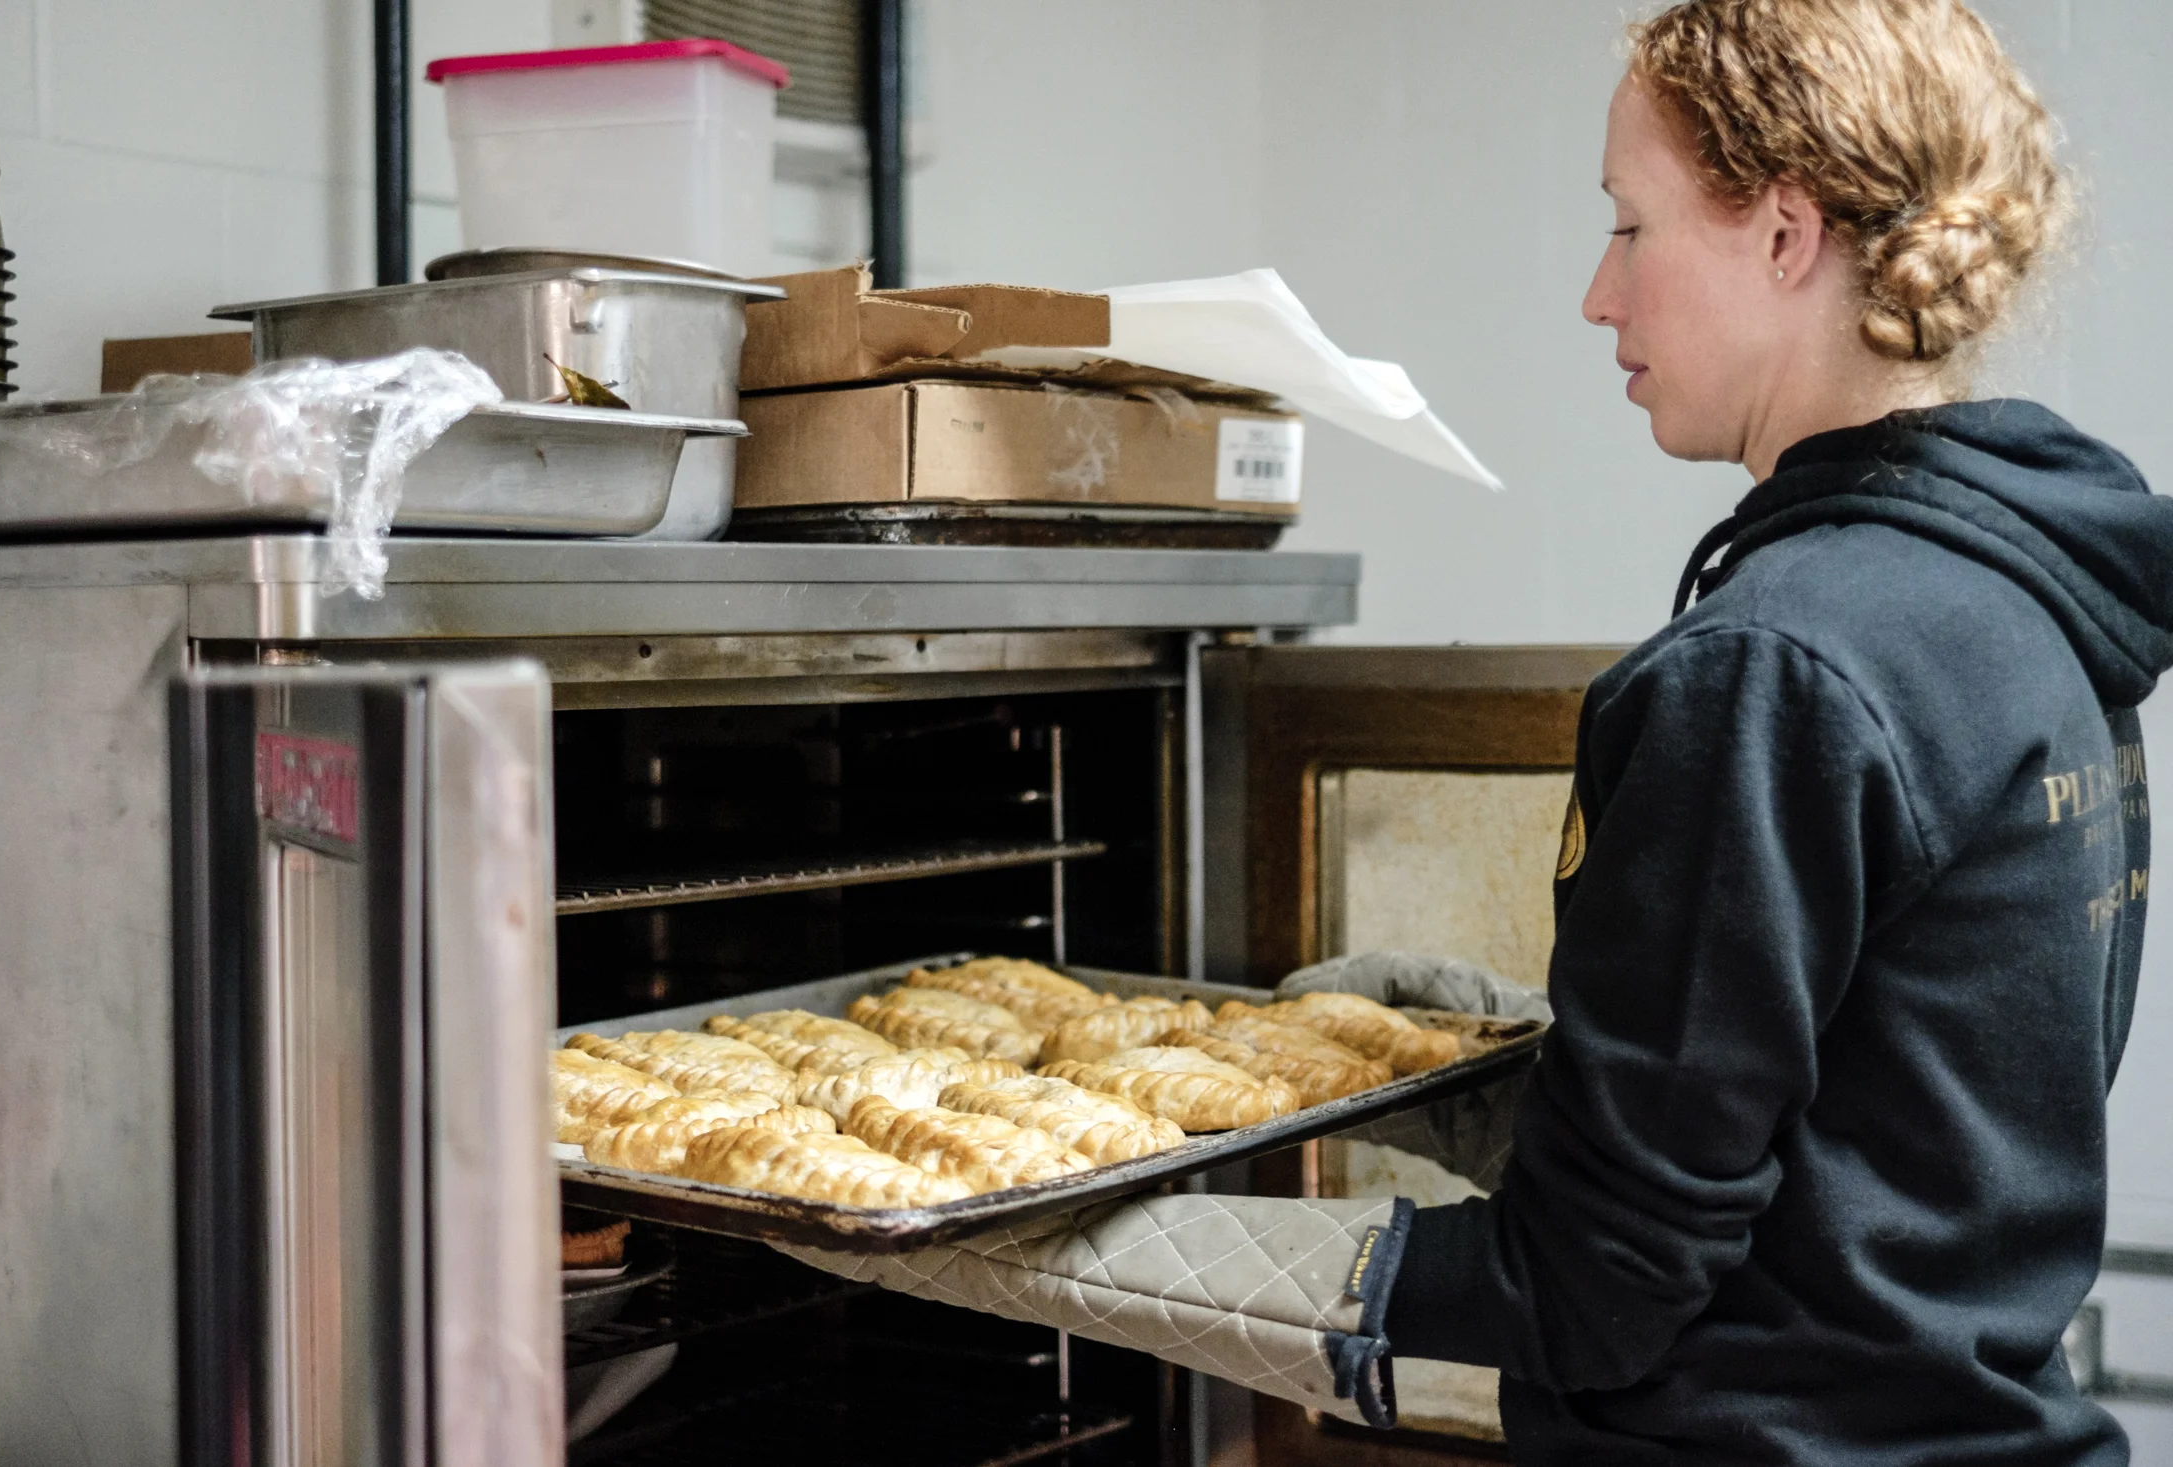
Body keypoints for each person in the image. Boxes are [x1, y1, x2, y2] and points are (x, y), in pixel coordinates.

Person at [790, 3, 2173, 1461]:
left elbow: (1594, 1297)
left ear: (1784, 233)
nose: (1597, 293)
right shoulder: (2031, 608)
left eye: (1630, 226)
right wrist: (1491, 1070)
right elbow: (1896, 1127)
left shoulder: (1777, 667)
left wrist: (1047, 1251)